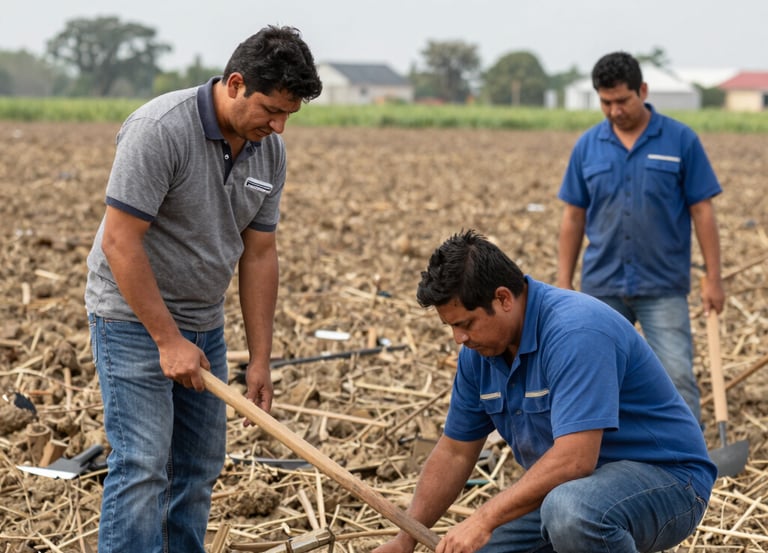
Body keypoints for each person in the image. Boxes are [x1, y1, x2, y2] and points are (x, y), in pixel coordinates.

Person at [84, 26, 322, 553]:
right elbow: (121, 242)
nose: (279, 126)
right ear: (235, 84)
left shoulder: (268, 151)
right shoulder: (159, 129)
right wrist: (168, 340)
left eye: (289, 115)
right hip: (130, 319)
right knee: (143, 464)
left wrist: (260, 358)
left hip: (204, 321)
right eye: (271, 110)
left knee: (196, 467)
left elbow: (259, 254)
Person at [374, 230, 716, 553]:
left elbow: (574, 460)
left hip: (668, 481)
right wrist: (405, 540)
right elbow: (455, 453)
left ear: (503, 299)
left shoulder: (576, 332)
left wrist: (484, 517)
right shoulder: (478, 354)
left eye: (465, 324)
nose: (458, 339)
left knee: (571, 514)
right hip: (572, 490)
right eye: (451, 327)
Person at [556, 51, 724, 424]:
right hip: (602, 287)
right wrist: (564, 282)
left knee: (677, 376)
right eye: (606, 102)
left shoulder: (681, 140)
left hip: (662, 286)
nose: (615, 110)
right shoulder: (587, 146)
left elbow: (702, 211)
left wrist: (714, 278)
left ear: (642, 91)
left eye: (622, 100)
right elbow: (573, 217)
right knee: (595, 379)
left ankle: (687, 453)